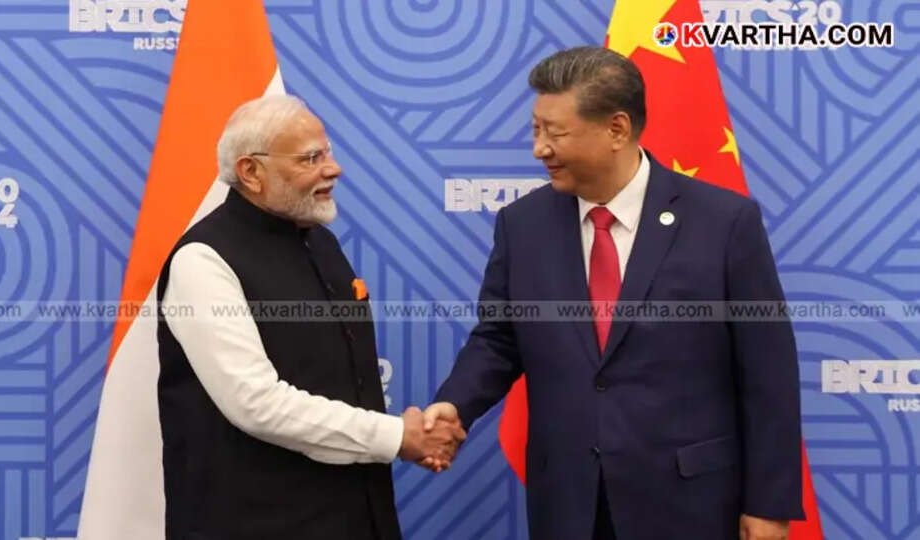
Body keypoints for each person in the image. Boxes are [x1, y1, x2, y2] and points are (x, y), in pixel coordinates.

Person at [423, 47, 804, 539]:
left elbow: (767, 369)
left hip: (690, 502)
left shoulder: (725, 222)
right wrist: (456, 404)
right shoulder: (523, 225)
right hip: (569, 500)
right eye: (536, 129)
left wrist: (769, 505)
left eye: (555, 132)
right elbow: (499, 337)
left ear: (617, 130)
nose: (539, 148)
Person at [155, 94, 465, 540]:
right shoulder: (203, 259)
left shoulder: (320, 243)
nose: (332, 169)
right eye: (310, 158)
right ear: (251, 172)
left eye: (329, 153)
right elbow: (256, 403)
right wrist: (397, 437)